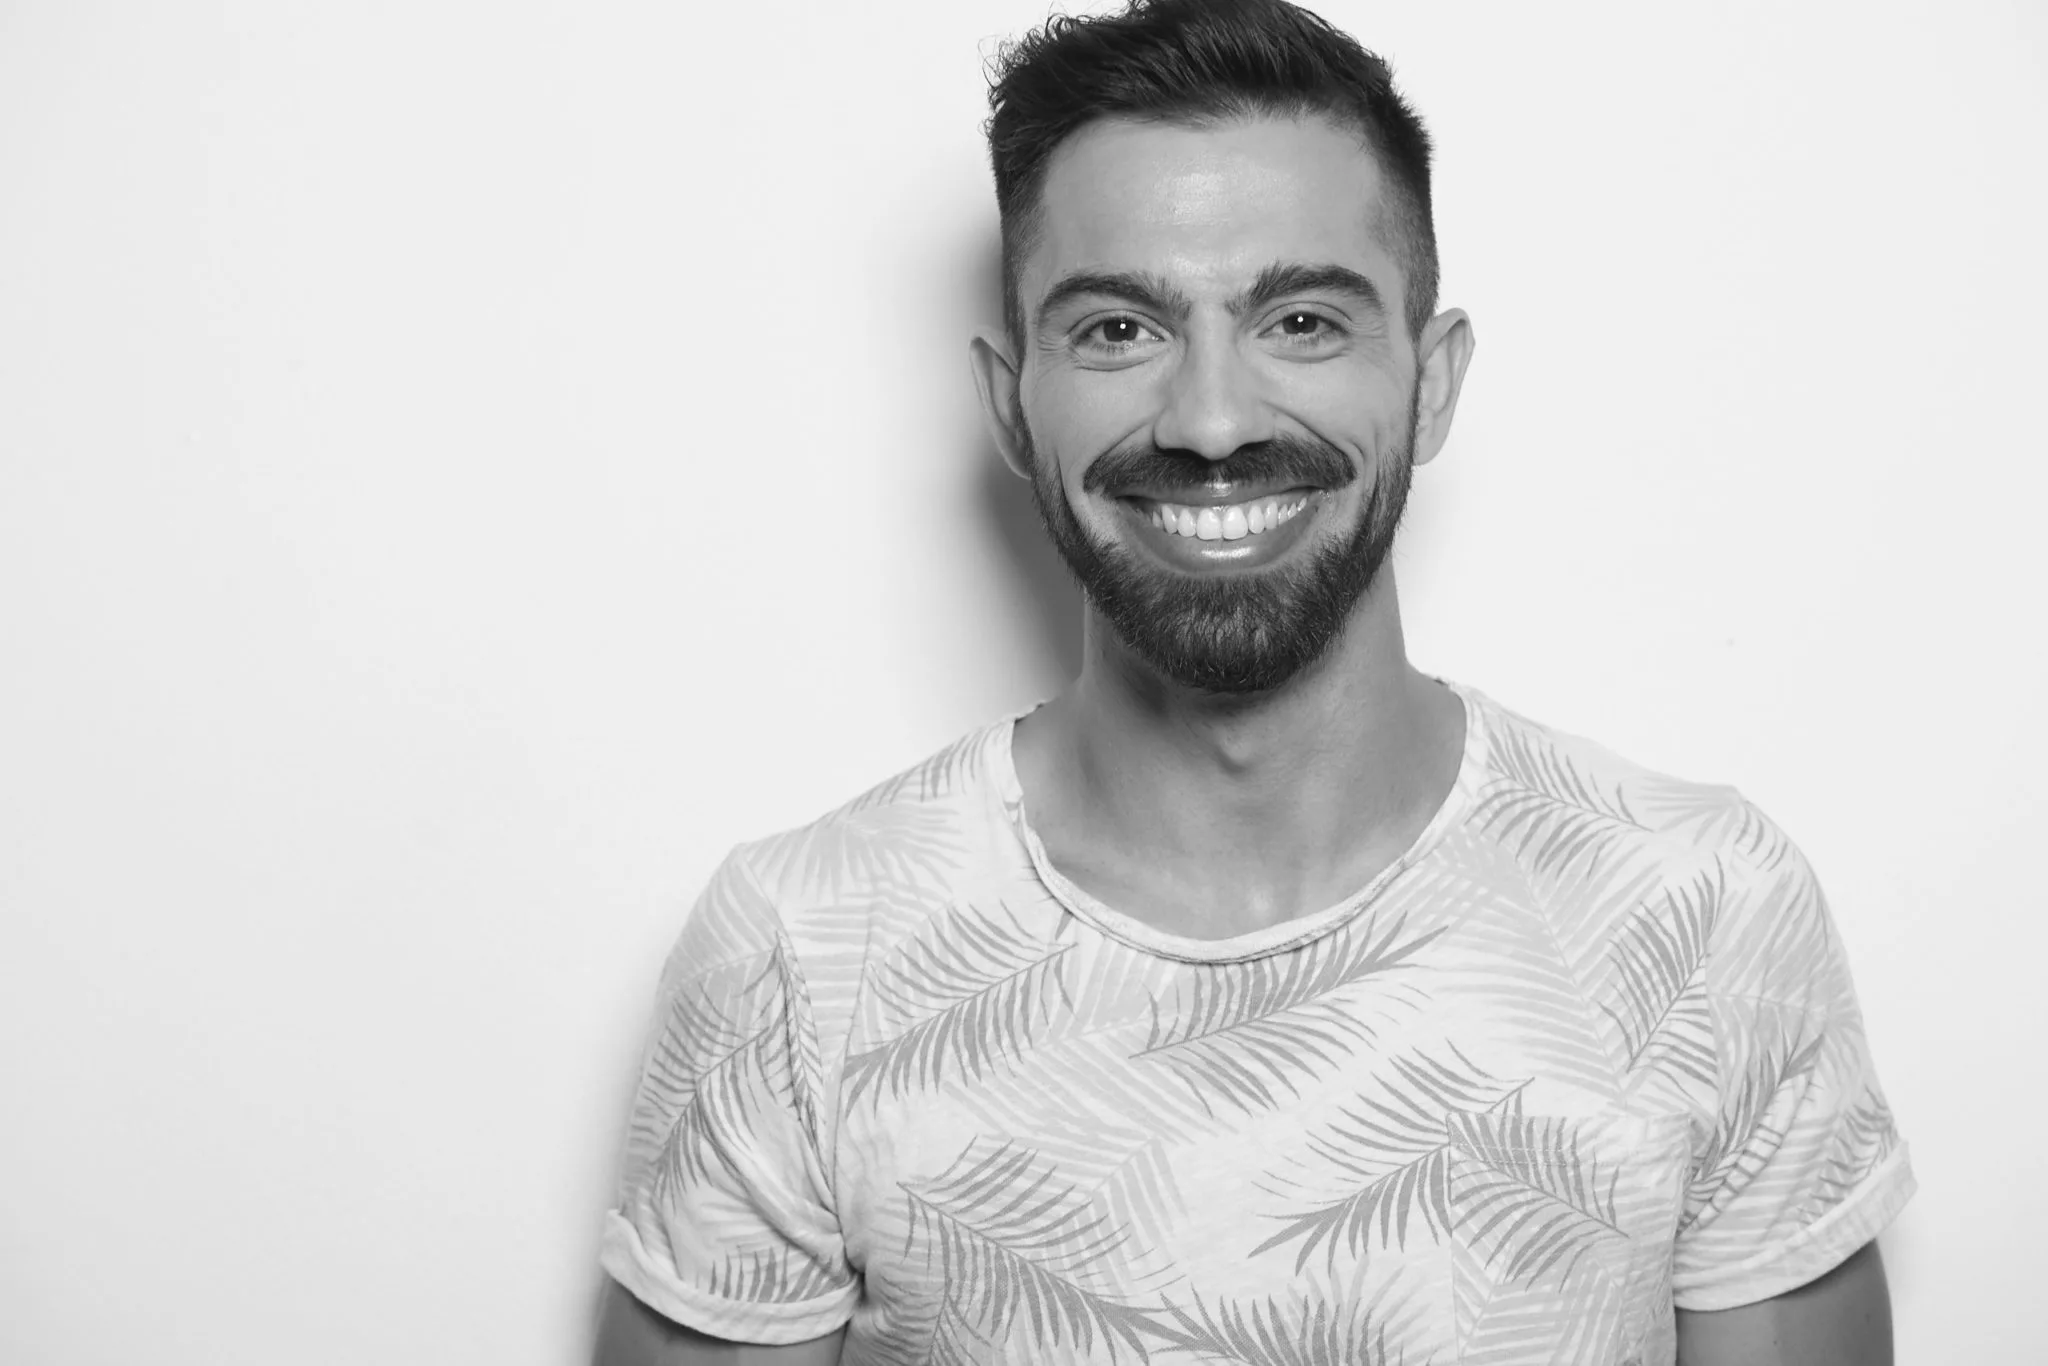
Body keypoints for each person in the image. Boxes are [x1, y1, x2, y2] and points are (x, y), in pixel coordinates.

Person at [592, 1, 1914, 1362]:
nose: (1213, 421)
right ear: (1009, 405)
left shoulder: (1708, 913)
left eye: (1303, 320)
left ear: (1432, 383)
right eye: (1118, 329)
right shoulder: (796, 955)